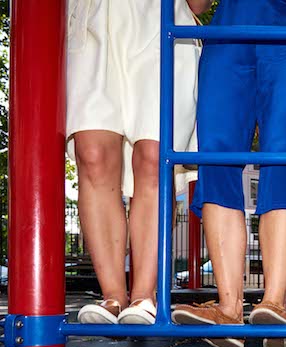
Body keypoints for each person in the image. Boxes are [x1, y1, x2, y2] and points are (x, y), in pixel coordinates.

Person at [172, 0, 286, 347]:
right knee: (215, 158)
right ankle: (228, 308)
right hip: (228, 33)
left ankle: (275, 302)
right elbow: (195, 4)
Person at [69, 0, 204, 326]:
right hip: (92, 14)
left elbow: (199, 3)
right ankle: (113, 294)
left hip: (159, 16)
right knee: (93, 156)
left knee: (155, 158)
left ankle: (144, 294)